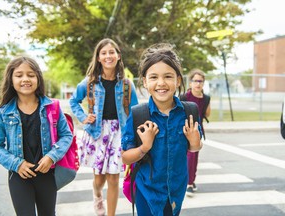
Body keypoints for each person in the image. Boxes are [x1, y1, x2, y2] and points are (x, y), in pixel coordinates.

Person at [121, 43, 202, 216]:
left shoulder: (189, 112)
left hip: (176, 191)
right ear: (144, 81)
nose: (161, 83)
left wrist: (195, 142)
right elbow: (126, 158)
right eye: (154, 77)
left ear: (178, 80)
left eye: (168, 76)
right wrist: (144, 147)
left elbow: (194, 147)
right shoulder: (138, 114)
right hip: (146, 190)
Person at [69, 38, 138, 216]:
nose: (108, 56)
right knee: (99, 179)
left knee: (114, 178)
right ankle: (97, 194)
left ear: (118, 56)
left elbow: (135, 111)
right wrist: (84, 117)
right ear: (98, 58)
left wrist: (134, 138)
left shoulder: (127, 85)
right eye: (104, 53)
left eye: (111, 52)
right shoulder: (90, 82)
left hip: (119, 133)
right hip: (97, 132)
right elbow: (74, 101)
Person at [0, 56, 73, 216]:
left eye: (31, 75)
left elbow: (66, 135)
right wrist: (16, 164)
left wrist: (52, 156)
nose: (25, 79)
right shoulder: (3, 112)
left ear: (38, 78)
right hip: (18, 176)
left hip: (47, 174)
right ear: (11, 79)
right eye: (19, 75)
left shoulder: (52, 107)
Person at [180, 68, 211, 197]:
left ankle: (190, 183)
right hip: (183, 129)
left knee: (193, 156)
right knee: (184, 156)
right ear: (190, 82)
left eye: (201, 81)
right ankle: (186, 181)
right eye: (195, 81)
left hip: (197, 130)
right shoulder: (184, 96)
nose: (198, 83)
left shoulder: (206, 98)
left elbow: (207, 113)